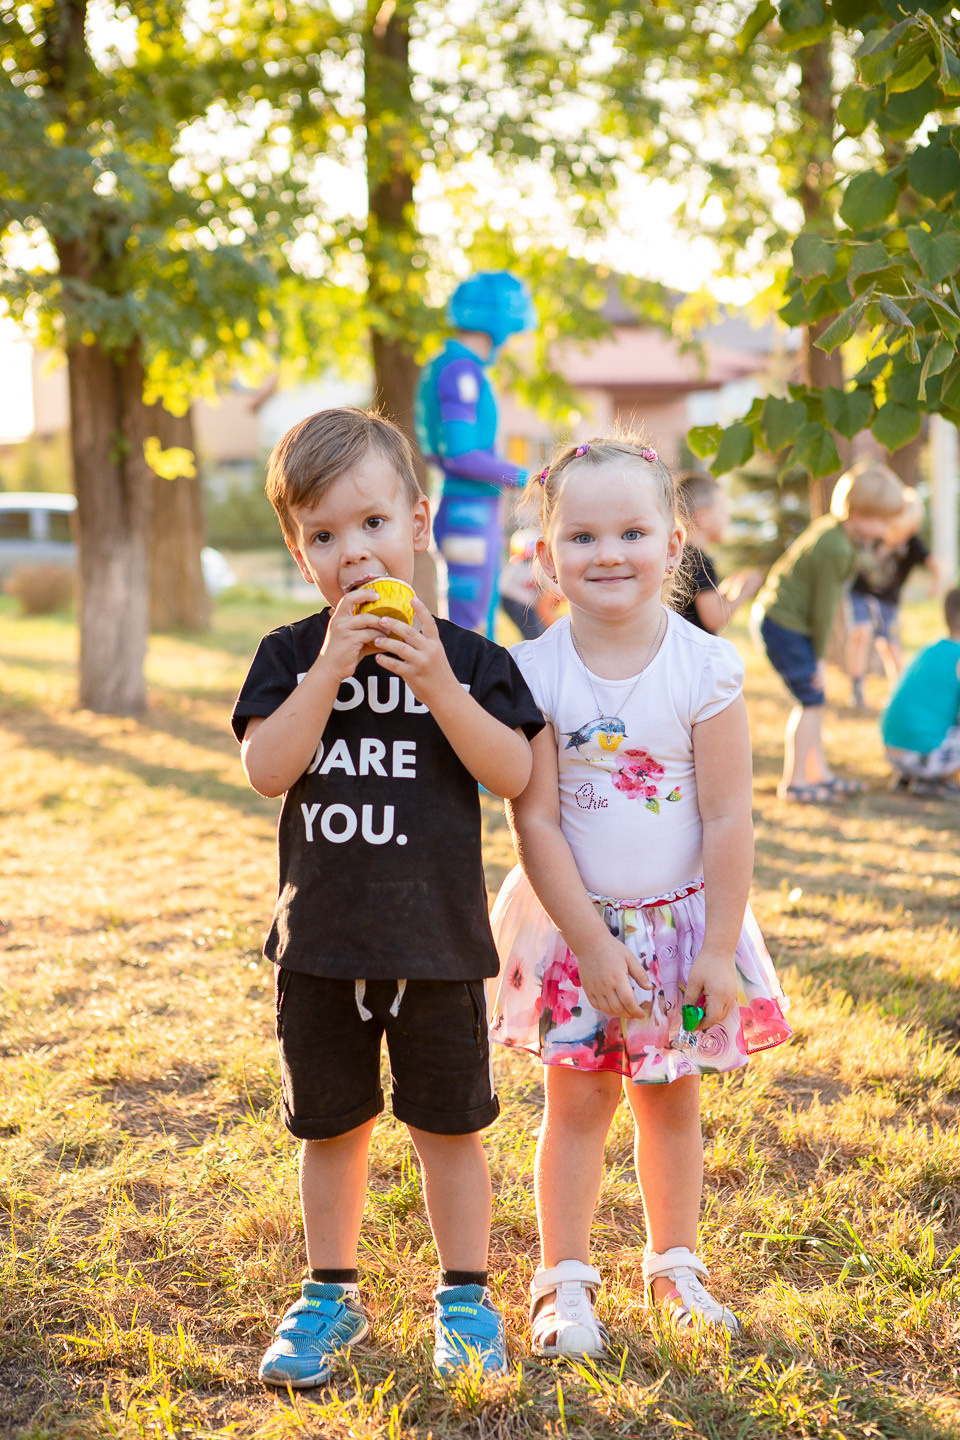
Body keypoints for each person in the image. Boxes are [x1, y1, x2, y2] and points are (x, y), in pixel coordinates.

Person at [231, 407, 545, 1388]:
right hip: (321, 942)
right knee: (331, 1127)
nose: (351, 552)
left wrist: (439, 684)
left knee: (450, 1126)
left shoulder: (475, 658)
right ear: (300, 552)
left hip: (440, 945)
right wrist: (330, 667)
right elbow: (267, 768)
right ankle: (329, 1295)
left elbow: (513, 775)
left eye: (369, 525)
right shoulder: (290, 656)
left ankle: (465, 1299)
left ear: (416, 520)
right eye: (323, 536)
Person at [489, 437, 792, 1358]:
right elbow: (534, 823)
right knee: (576, 1106)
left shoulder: (704, 669)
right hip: (573, 927)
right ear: (547, 553)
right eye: (581, 535)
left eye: (631, 530)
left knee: (672, 1102)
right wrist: (588, 944)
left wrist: (715, 947)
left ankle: (673, 1265)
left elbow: (729, 814)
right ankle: (564, 1283)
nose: (607, 552)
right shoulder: (535, 672)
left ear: (674, 543)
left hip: (686, 924)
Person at [754, 462, 905, 803]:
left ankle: (817, 773)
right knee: (810, 701)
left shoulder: (838, 536)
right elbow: (824, 610)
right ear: (858, 511)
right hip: (783, 624)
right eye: (880, 520)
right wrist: (820, 659)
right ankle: (794, 783)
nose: (884, 530)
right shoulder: (835, 547)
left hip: (789, 622)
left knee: (815, 703)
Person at [415, 271, 537, 636]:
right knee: (470, 628)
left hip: (471, 511)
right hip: (467, 513)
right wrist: (523, 477)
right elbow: (460, 454)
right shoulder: (460, 371)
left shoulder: (455, 367)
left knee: (476, 621)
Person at [846, 489, 940, 710]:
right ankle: (857, 690)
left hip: (889, 601)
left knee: (890, 646)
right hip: (863, 593)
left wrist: (935, 584)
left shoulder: (912, 543)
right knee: (862, 631)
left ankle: (899, 691)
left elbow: (933, 565)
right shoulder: (877, 533)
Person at [881, 587, 960, 798]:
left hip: (893, 750)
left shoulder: (929, 649)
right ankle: (937, 780)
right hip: (922, 756)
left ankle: (913, 778)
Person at [675, 472, 762, 632]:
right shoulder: (698, 561)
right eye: (722, 510)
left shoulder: (680, 554)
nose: (727, 518)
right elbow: (714, 620)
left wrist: (727, 590)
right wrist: (745, 592)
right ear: (702, 517)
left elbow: (695, 608)